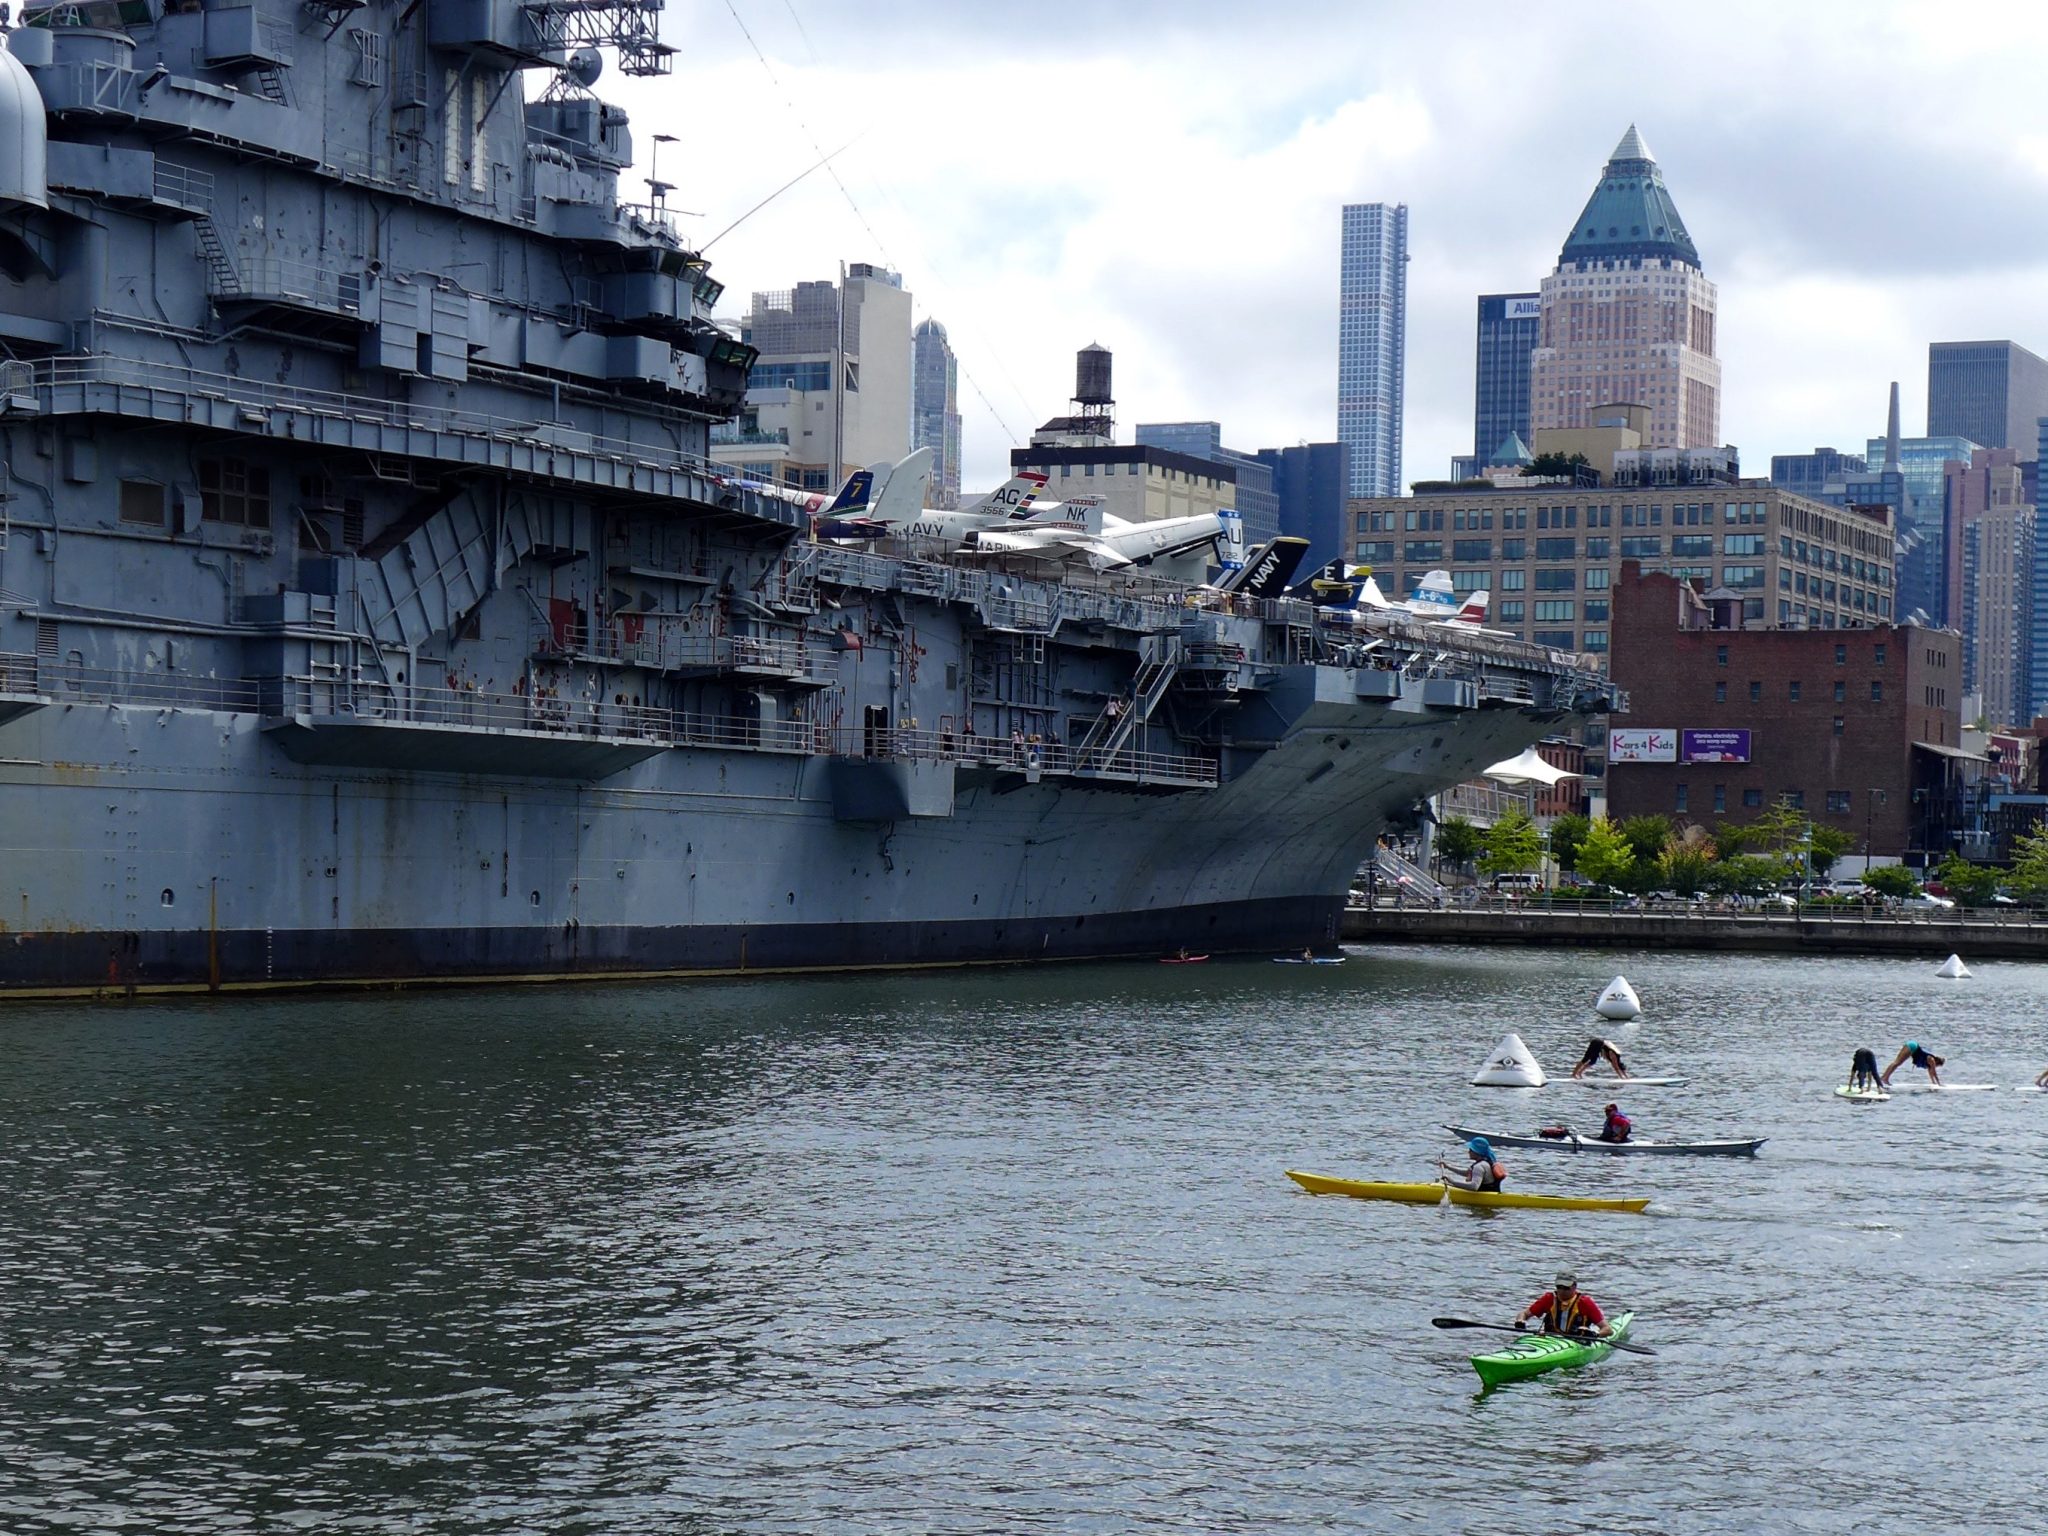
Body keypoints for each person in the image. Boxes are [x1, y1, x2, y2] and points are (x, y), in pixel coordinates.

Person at [1515, 1271, 1612, 1337]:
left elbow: (1607, 1329)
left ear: (1574, 1286)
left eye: (1566, 1287)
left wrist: (1595, 1334)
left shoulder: (1585, 1302)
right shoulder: (1549, 1298)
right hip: (1550, 1339)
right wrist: (1520, 1320)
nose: (1561, 1291)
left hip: (1578, 1341)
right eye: (1559, 1287)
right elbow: (1524, 1313)